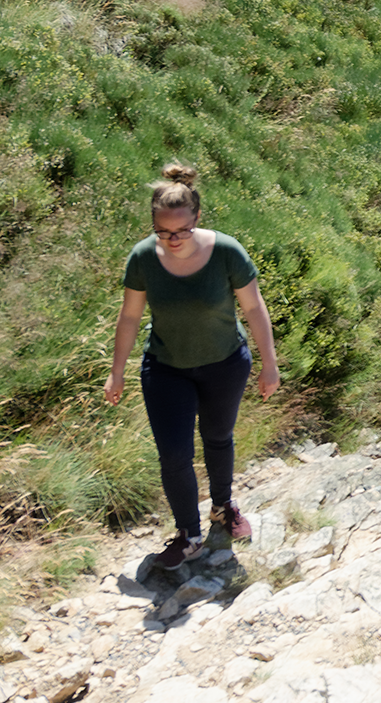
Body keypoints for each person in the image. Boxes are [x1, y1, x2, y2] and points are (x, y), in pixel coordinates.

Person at [104, 164, 280, 573]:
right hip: (166, 368)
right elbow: (129, 317)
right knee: (174, 456)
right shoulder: (144, 257)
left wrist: (269, 364)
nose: (173, 240)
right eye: (164, 232)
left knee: (218, 438)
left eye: (181, 231)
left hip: (224, 363)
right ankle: (188, 536)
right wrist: (117, 371)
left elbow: (253, 307)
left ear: (198, 218)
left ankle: (222, 507)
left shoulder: (226, 252)